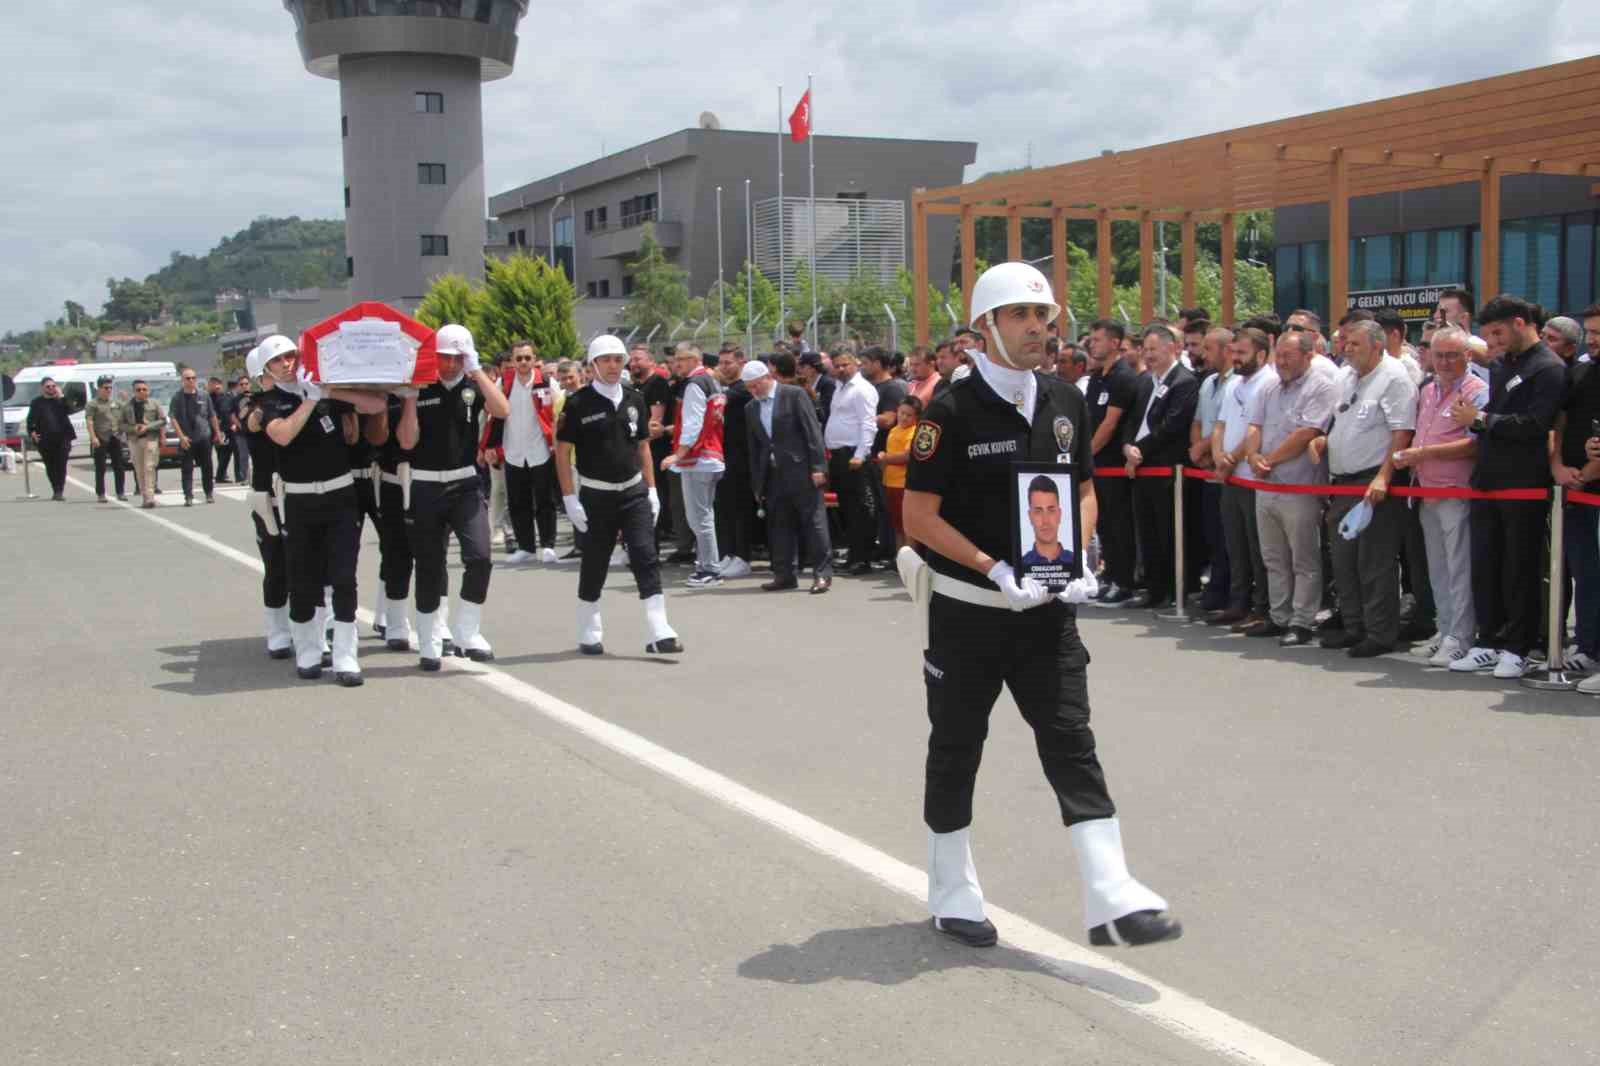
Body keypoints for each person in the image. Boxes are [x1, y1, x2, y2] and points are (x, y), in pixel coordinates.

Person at [902, 261, 1178, 950]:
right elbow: (918, 515)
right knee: (958, 746)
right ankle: (951, 889)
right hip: (967, 612)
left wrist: (1079, 555)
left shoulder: (1065, 399)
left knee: (1070, 738)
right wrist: (992, 566)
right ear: (985, 327)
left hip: (1046, 612)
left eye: (1044, 317)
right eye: (1021, 317)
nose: (1037, 328)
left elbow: (1082, 488)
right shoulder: (949, 412)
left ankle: (1110, 892)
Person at [1447, 295, 1566, 679]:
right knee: (1486, 563)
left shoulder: (1548, 367)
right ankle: (1489, 640)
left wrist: (1481, 418)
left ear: (1520, 323)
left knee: (1520, 566)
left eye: (1497, 332)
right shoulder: (1501, 365)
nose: (1493, 342)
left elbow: (1535, 424)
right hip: (1488, 478)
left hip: (1524, 481)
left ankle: (1520, 645)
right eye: (1488, 335)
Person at [257, 334, 382, 686]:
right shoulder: (268, 401)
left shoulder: (324, 391)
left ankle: (345, 655)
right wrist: (310, 402)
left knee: (344, 577)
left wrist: (329, 391)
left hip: (340, 497)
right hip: (299, 500)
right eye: (279, 360)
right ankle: (309, 651)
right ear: (267, 367)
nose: (287, 363)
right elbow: (281, 435)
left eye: (291, 356)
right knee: (303, 579)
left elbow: (372, 405)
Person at [555, 335, 681, 655]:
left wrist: (652, 489)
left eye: (618, 359)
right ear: (593, 365)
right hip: (596, 496)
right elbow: (562, 452)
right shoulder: (577, 403)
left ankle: (659, 629)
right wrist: (570, 498)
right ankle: (589, 627)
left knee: (645, 555)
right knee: (595, 561)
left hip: (633, 491)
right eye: (606, 360)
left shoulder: (635, 398)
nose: (613, 365)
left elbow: (643, 447)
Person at [396, 323, 510, 670]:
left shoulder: (473, 387)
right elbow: (406, 441)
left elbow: (503, 410)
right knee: (430, 565)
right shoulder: (421, 387)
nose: (450, 365)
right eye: (445, 357)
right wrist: (412, 399)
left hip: (465, 484)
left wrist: (476, 370)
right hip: (426, 484)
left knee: (479, 556)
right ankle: (430, 639)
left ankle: (466, 631)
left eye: (457, 358)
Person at [1309, 318, 1417, 656]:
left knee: (1375, 563)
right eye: (1344, 342)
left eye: (1354, 343)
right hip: (1342, 481)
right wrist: (1324, 441)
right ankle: (1353, 626)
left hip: (1372, 481)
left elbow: (1401, 433)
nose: (1346, 348)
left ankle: (1380, 633)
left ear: (1377, 345)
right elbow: (1341, 419)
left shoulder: (1395, 377)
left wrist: (1384, 476)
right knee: (1344, 561)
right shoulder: (1345, 375)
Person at [1391, 326, 1486, 667]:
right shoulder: (1428, 390)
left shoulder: (1477, 390)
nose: (1443, 362)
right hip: (1427, 491)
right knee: (1438, 569)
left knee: (1459, 568)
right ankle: (1444, 631)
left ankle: (1461, 636)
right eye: (1438, 354)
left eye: (1451, 355)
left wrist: (1424, 454)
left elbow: (1476, 443)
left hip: (1456, 491)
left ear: (1468, 357)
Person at [1243, 330, 1338, 643]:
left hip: (1299, 487)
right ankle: (1278, 616)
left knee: (1303, 559)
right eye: (1278, 355)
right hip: (1266, 485)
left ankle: (1302, 621)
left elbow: (1306, 434)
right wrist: (1253, 455)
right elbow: (1254, 425)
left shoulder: (1321, 387)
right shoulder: (1270, 387)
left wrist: (1267, 459)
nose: (1280, 361)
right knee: (1273, 557)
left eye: (1288, 356)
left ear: (1308, 356)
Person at [1120, 324, 1199, 610]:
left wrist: (1140, 450)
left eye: (1154, 349)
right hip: (1140, 467)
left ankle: (1171, 589)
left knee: (1168, 532)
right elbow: (1131, 420)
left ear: (1171, 348)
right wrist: (1128, 446)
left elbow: (1172, 426)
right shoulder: (1145, 382)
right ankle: (1152, 588)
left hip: (1166, 469)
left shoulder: (1184, 382)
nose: (1148, 355)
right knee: (1148, 530)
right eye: (1146, 349)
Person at [746, 359, 833, 592]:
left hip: (802, 470)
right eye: (749, 387)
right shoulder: (751, 408)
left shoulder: (793, 395)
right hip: (773, 475)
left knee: (814, 523)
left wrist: (818, 467)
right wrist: (757, 483)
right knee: (779, 526)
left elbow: (812, 432)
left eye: (756, 385)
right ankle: (784, 574)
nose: (753, 391)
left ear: (767, 378)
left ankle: (822, 574)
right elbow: (754, 448)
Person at [1208, 328, 1275, 630]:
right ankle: (1238, 602)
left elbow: (1253, 430)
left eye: (1242, 354)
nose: (1235, 358)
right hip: (1229, 477)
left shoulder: (1268, 383)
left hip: (1251, 478)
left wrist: (1231, 459)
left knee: (1256, 547)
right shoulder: (1234, 382)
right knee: (1234, 545)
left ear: (1260, 354)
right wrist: (1218, 454)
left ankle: (1261, 606)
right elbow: (1220, 424)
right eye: (1234, 352)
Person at [483, 339, 560, 565]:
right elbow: (493, 417)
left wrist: (556, 443)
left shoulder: (546, 382)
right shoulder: (503, 384)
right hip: (514, 451)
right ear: (513, 361)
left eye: (528, 357)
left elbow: (558, 413)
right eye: (519, 358)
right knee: (517, 502)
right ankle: (525, 546)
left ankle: (548, 545)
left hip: (541, 450)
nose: (524, 362)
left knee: (545, 501)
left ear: (534, 360)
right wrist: (489, 447)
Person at [239, 346, 293, 660]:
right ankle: (277, 631)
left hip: (297, 490)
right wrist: (274, 400)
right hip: (268, 495)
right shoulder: (252, 403)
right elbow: (252, 422)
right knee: (275, 564)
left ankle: (307, 627)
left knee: (306, 563)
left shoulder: (297, 397)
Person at [661, 342, 728, 588]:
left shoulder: (695, 384)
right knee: (703, 516)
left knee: (699, 517)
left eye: (680, 359)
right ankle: (706, 565)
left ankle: (710, 569)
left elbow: (692, 423)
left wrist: (677, 455)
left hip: (699, 458)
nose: (676, 364)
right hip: (710, 455)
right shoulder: (712, 381)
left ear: (693, 359)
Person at [1083, 320, 1138, 605]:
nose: (1092, 344)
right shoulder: (1097, 377)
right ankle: (1110, 575)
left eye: (1098, 339)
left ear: (1115, 343)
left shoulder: (1123, 377)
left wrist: (1086, 453)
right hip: (1097, 467)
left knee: (1119, 526)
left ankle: (1124, 581)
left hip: (1113, 465)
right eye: (1091, 339)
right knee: (1103, 524)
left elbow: (1110, 424)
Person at [823, 348, 880, 575]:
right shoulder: (839, 387)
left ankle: (862, 559)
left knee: (861, 510)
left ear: (855, 363)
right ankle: (853, 556)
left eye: (845, 364)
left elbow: (868, 424)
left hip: (854, 456)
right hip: (838, 455)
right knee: (847, 508)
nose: (840, 369)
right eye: (836, 365)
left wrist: (860, 454)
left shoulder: (862, 389)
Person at [713, 345, 758, 579]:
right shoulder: (729, 389)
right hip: (724, 456)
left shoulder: (742, 390)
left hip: (742, 458)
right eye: (721, 363)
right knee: (724, 508)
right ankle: (729, 553)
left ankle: (743, 556)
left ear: (742, 363)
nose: (723, 367)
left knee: (739, 509)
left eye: (728, 362)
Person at [862, 346, 907, 566]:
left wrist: (859, 418)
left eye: (867, 362)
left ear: (878, 363)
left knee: (891, 507)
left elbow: (889, 420)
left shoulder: (893, 389)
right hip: (873, 455)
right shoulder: (869, 387)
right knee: (879, 506)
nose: (863, 366)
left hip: (889, 458)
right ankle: (884, 548)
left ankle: (893, 552)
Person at [168, 367, 220, 505]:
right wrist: (181, 437)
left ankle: (209, 493)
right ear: (182, 380)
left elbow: (212, 415)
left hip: (203, 436)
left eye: (193, 378)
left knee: (207, 467)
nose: (191, 381)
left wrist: (217, 433)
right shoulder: (177, 397)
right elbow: (173, 418)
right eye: (187, 378)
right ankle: (188, 496)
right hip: (187, 438)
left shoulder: (204, 395)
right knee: (187, 468)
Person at [876, 396, 921, 551]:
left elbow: (907, 456)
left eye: (909, 415)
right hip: (890, 482)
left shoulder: (914, 431)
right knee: (897, 524)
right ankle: (900, 559)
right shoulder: (894, 430)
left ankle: (911, 560)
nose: (904, 417)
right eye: (901, 413)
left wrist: (885, 458)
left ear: (916, 417)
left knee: (908, 525)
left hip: (904, 484)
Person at [25, 376, 74, 501]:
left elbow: (70, 410)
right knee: (51, 465)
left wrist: (61, 396)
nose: (51, 388)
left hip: (63, 438)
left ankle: (60, 491)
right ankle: (55, 489)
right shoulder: (37, 402)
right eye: (48, 386)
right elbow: (30, 421)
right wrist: (32, 432)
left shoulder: (60, 400)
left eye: (53, 386)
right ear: (42, 388)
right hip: (45, 439)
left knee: (61, 464)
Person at [120, 379, 165, 508]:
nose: (141, 392)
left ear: (148, 390)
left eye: (144, 389)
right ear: (134, 391)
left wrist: (148, 427)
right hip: (134, 440)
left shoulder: (154, 404)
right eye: (138, 390)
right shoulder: (127, 406)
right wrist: (133, 428)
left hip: (150, 439)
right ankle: (145, 497)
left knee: (149, 467)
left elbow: (162, 420)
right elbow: (121, 424)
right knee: (139, 469)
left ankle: (150, 497)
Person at [1018, 474, 1074, 574]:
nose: (1046, 521)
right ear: (1030, 516)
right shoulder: (1021, 565)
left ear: (1059, 514)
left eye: (1051, 510)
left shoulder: (1076, 561)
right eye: (1038, 511)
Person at [84, 375, 128, 502]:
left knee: (119, 466)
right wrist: (93, 437)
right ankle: (101, 494)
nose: (108, 390)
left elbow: (126, 414)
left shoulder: (116, 403)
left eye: (110, 387)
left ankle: (120, 492)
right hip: (100, 437)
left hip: (114, 436)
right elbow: (89, 421)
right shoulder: (93, 404)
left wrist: (125, 399)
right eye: (105, 388)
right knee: (100, 467)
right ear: (99, 388)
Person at [210, 377, 238, 483]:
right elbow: (213, 414)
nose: (217, 389)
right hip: (218, 429)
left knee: (226, 453)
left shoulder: (226, 397)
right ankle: (220, 475)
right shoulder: (210, 398)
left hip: (228, 429)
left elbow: (229, 412)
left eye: (219, 386)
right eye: (215, 386)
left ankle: (221, 475)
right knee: (223, 453)